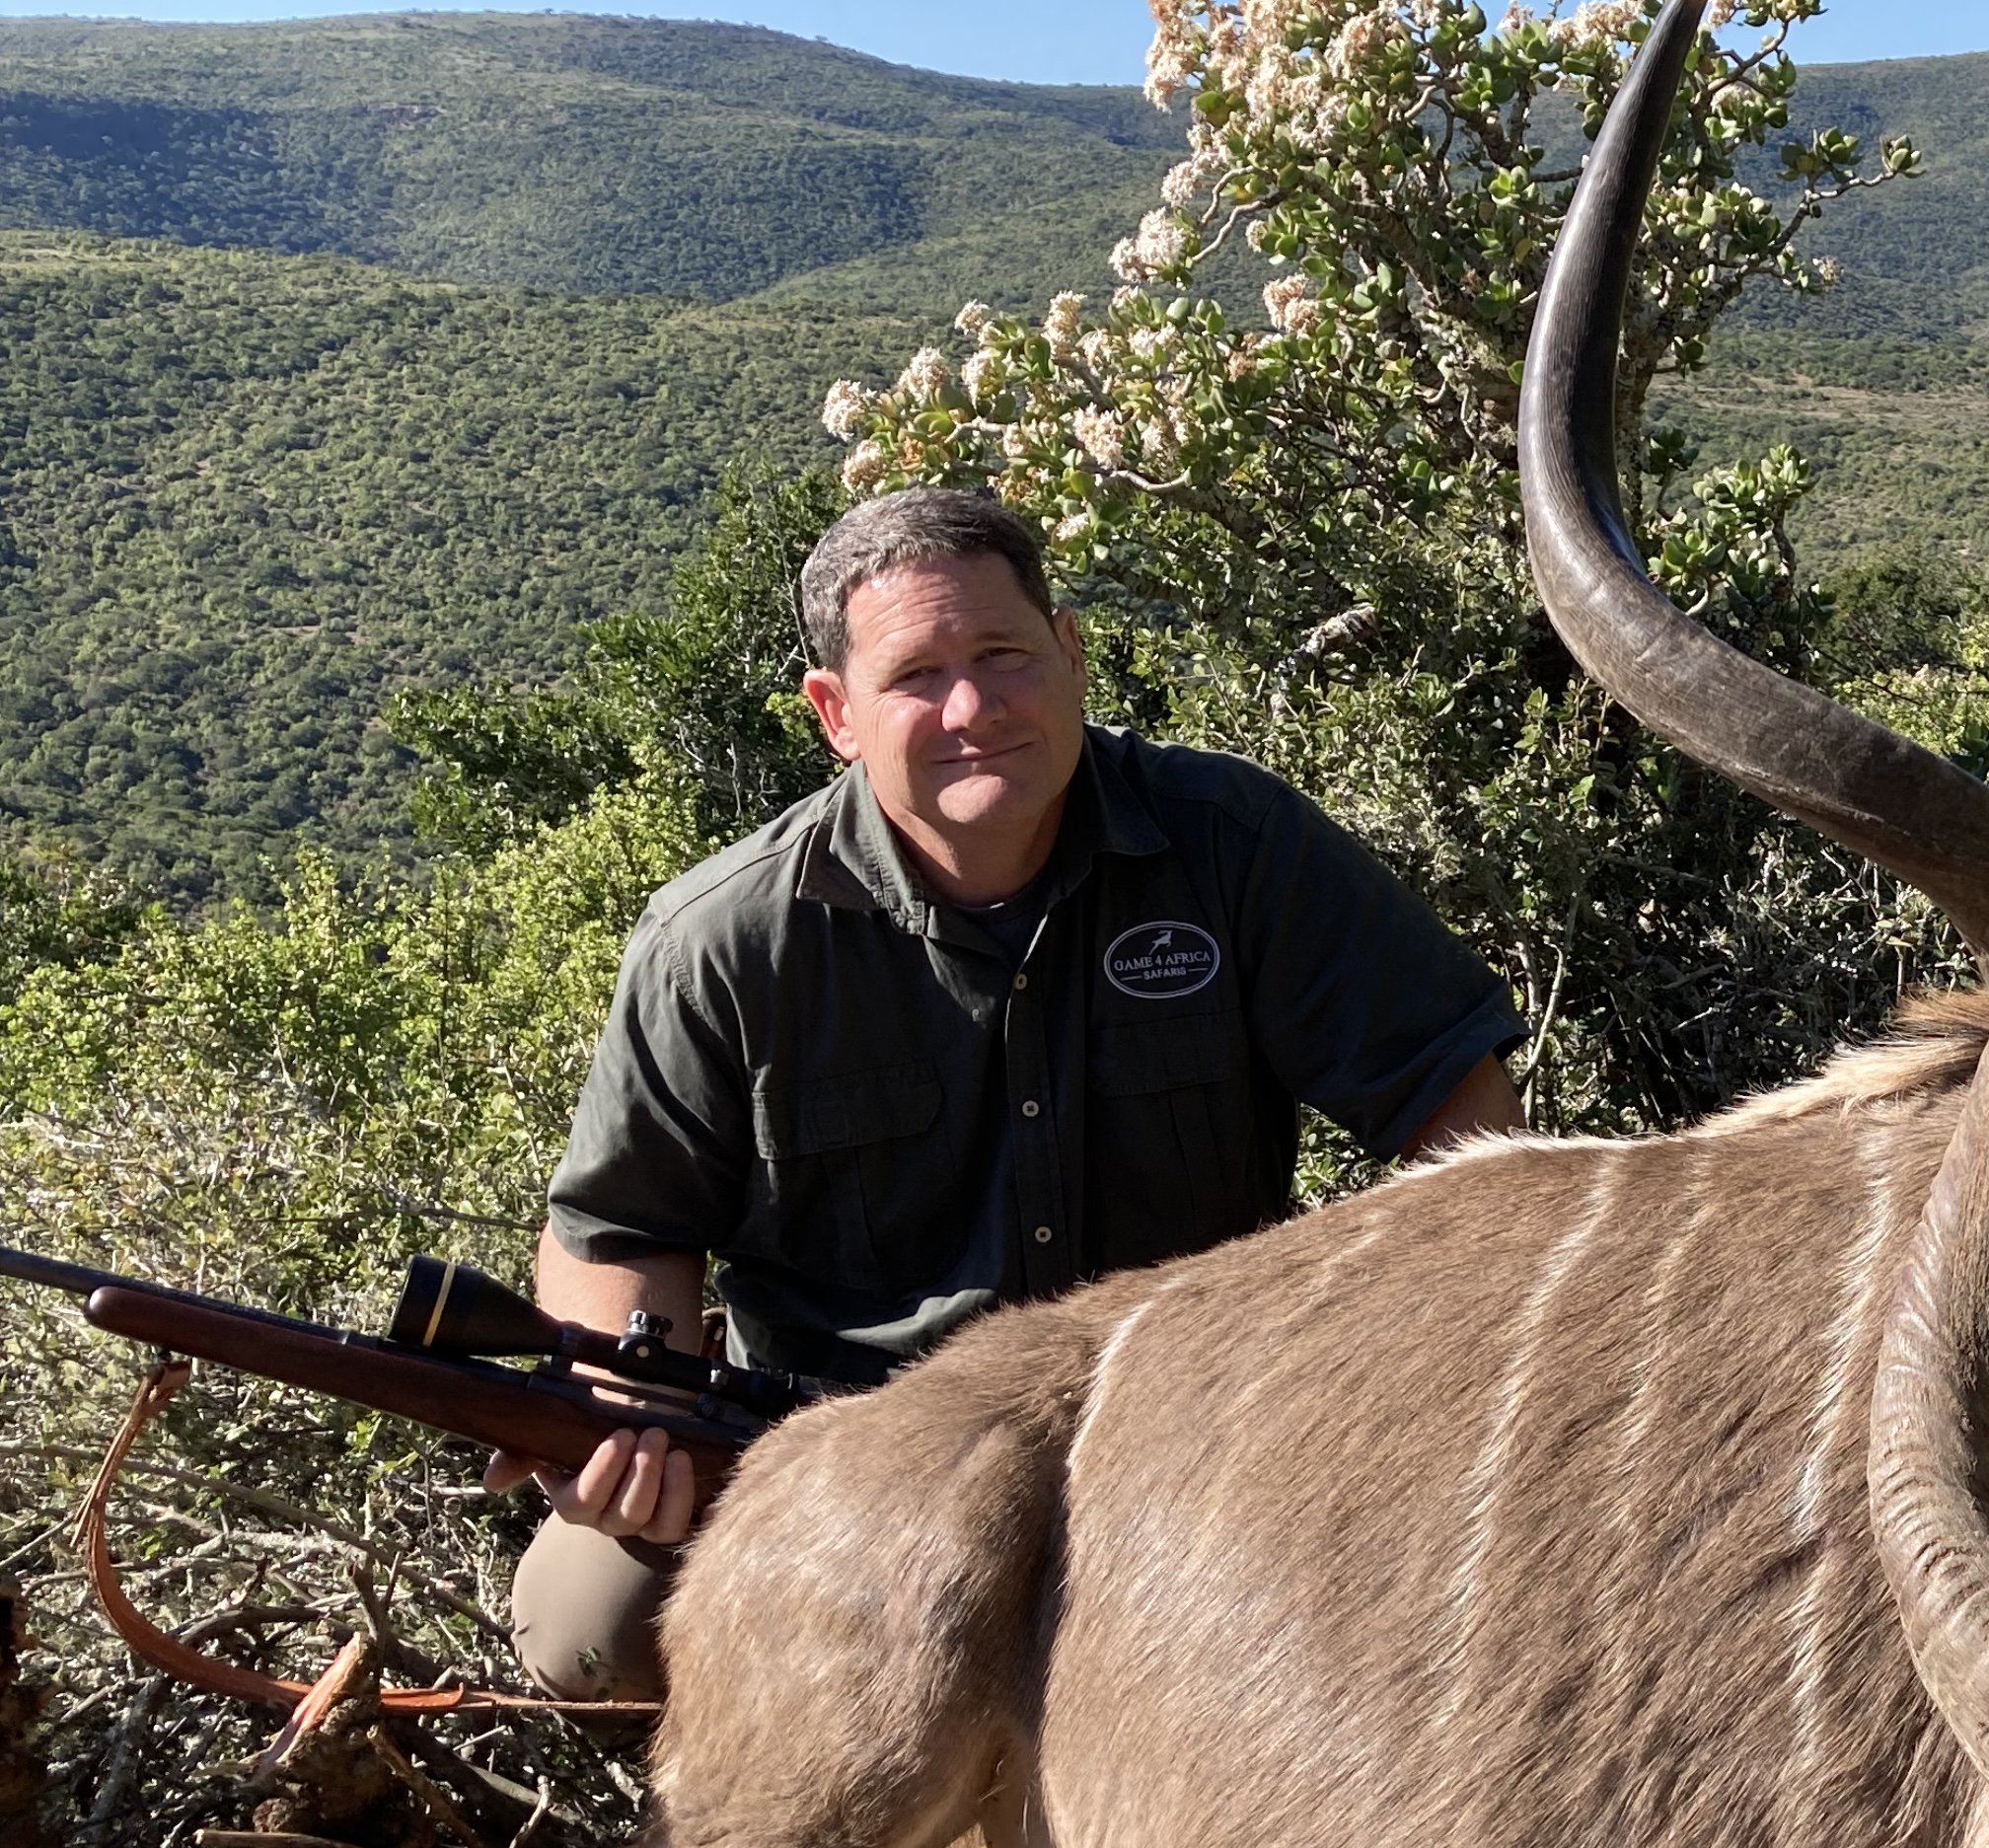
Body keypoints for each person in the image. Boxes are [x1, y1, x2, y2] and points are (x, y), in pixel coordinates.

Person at [498, 486, 1524, 1699]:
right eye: (917, 676)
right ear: (837, 714)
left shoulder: (1233, 845)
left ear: (1071, 652)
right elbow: (621, 1229)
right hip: (848, 1454)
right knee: (590, 1624)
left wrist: (1386, 1376)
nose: (973, 708)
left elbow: (1461, 1117)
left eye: (1002, 655)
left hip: (1198, 1437)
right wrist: (633, 1415)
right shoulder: (725, 942)